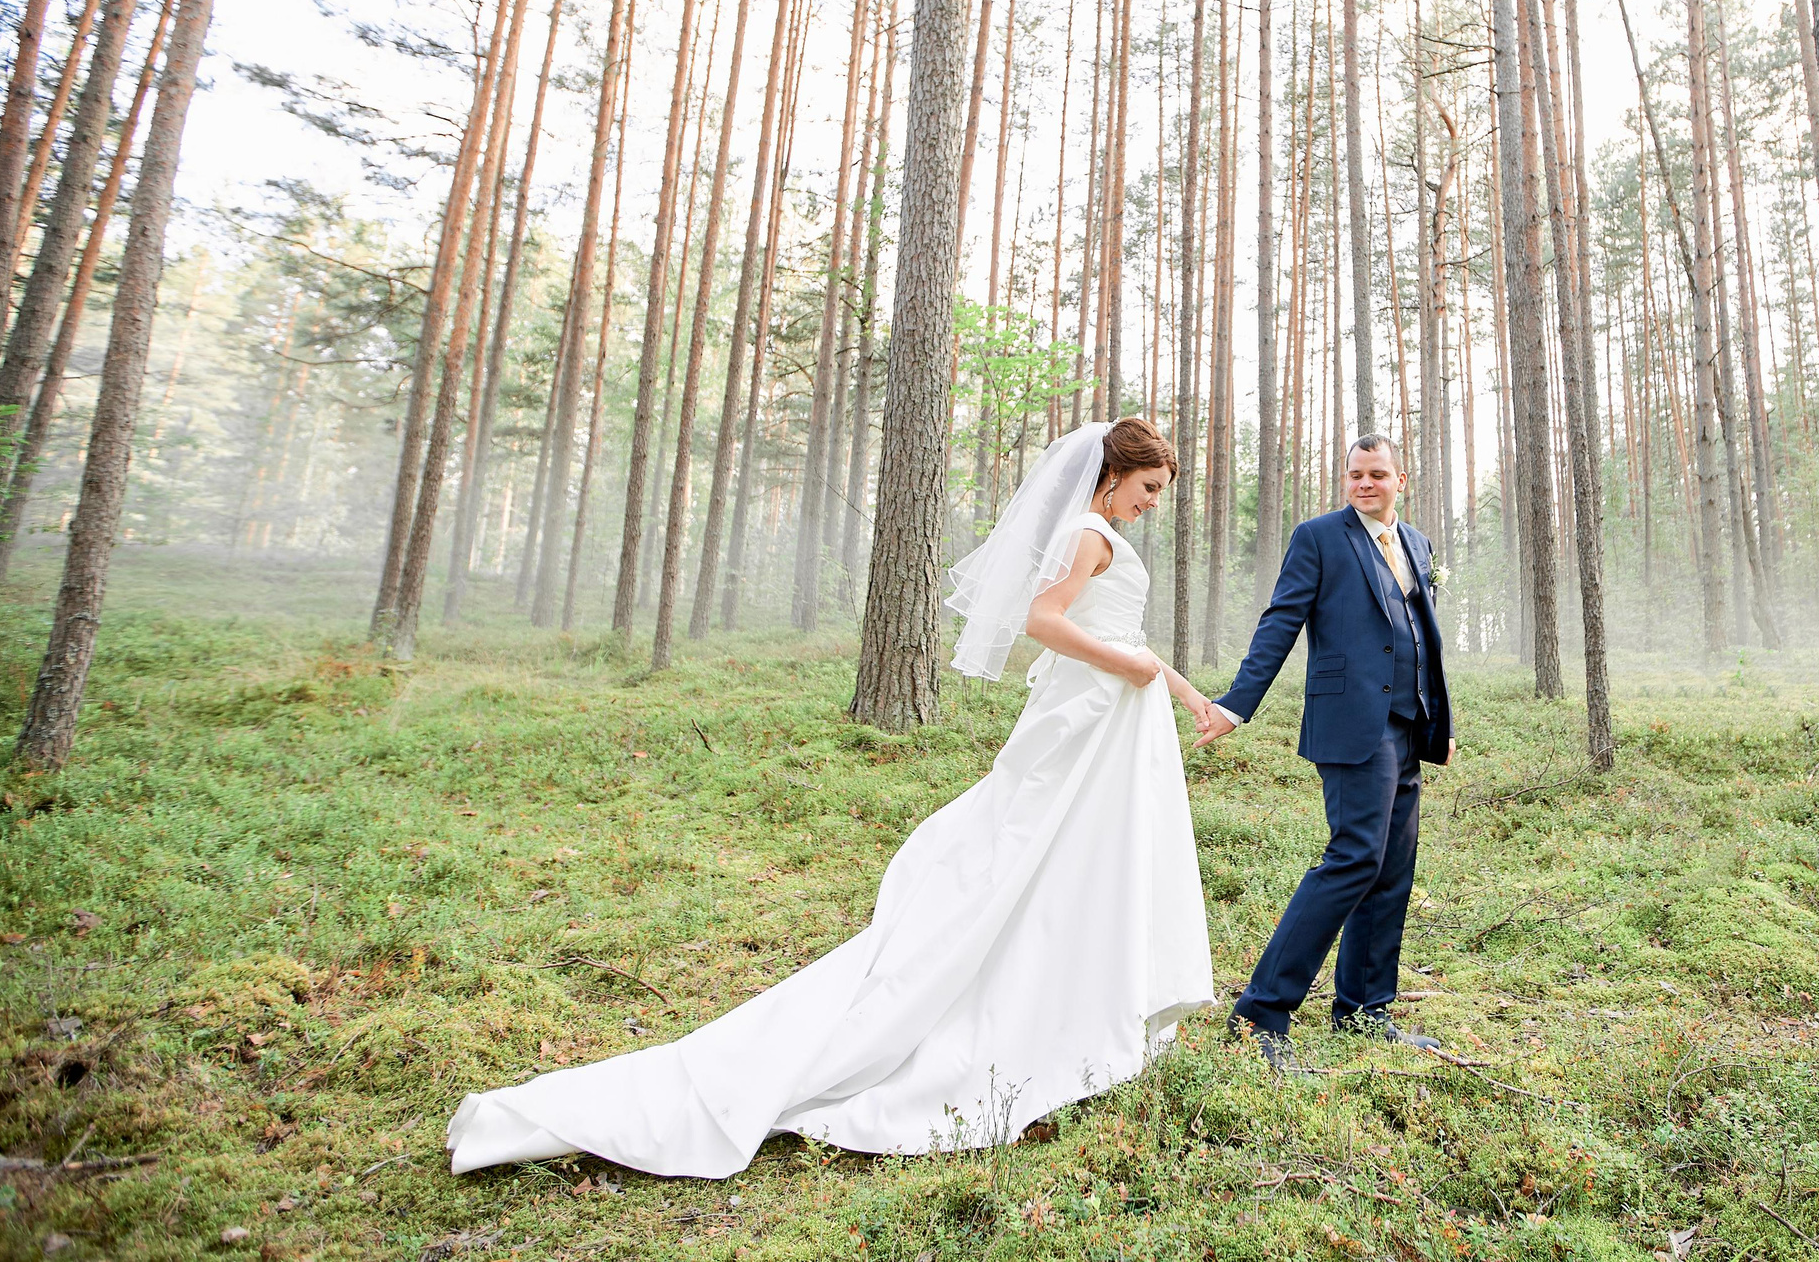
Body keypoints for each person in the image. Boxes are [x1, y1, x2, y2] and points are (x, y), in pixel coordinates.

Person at [447, 418, 1217, 1176]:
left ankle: (1081, 999)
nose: (1152, 502)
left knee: (1084, 863)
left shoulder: (1104, 536)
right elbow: (1043, 620)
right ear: (1113, 474)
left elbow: (1132, 641)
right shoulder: (1090, 531)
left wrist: (1185, 695)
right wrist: (1129, 667)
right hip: (1088, 715)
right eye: (1149, 487)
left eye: (1159, 492)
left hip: (1109, 714)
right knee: (1040, 860)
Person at [1193, 433, 1453, 1069]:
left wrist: (1437, 718)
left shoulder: (1416, 544)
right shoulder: (1319, 537)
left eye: (1378, 474)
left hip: (1406, 725)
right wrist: (1235, 703)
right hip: (1350, 724)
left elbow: (1421, 634)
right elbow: (1281, 619)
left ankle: (1365, 1011)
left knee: (1391, 867)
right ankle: (1260, 1014)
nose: (1365, 484)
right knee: (1353, 858)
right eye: (1355, 474)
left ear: (1401, 481)